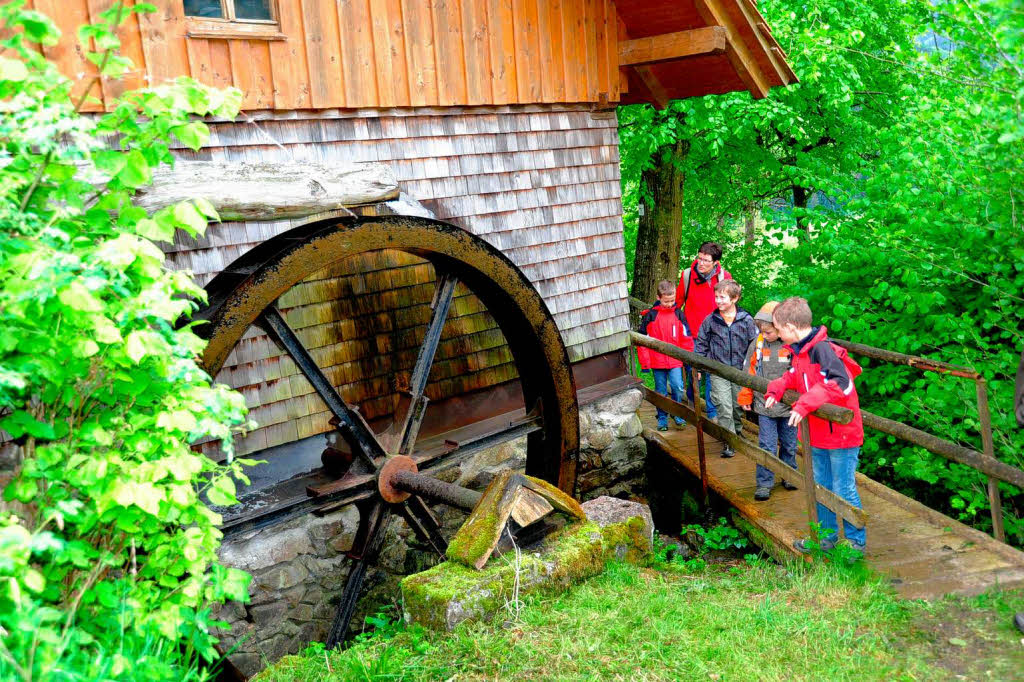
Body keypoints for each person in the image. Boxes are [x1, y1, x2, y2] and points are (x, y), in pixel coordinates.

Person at [764, 297, 866, 553]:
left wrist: (804, 404)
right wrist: (777, 388)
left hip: (841, 436)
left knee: (843, 488)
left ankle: (855, 542)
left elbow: (841, 383)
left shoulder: (823, 349)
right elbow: (795, 376)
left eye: (778, 328)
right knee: (821, 487)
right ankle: (826, 539)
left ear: (791, 326)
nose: (776, 333)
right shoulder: (800, 351)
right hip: (817, 435)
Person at [738, 301, 799, 501]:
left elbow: (801, 374)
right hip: (765, 406)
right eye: (762, 331)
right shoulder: (757, 344)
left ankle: (790, 475)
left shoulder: (793, 346)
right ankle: (764, 483)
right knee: (767, 445)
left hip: (789, 408)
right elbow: (748, 372)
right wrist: (745, 395)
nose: (765, 335)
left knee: (789, 444)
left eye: (769, 332)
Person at [694, 279, 757, 457]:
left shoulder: (746, 320)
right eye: (716, 297)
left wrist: (753, 369)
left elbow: (755, 345)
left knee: (737, 405)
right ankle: (729, 441)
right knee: (723, 405)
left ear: (734, 298)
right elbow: (701, 343)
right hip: (718, 370)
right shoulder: (711, 320)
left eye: (722, 297)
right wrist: (698, 367)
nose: (718, 301)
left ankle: (736, 431)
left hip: (740, 372)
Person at [677, 242, 731, 420]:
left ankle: (712, 415)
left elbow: (730, 305)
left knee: (712, 376)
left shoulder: (724, 278)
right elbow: (677, 304)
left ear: (715, 262)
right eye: (699, 258)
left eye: (706, 260)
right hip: (691, 335)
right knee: (694, 374)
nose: (701, 262)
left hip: (715, 335)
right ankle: (692, 405)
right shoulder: (687, 276)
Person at [637, 280, 694, 431]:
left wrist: (688, 358)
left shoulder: (678, 314)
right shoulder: (651, 316)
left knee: (677, 386)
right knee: (661, 390)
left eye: (672, 301)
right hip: (657, 361)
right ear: (658, 297)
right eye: (666, 301)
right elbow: (642, 340)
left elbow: (686, 337)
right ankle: (662, 418)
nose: (669, 304)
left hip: (675, 360)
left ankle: (677, 413)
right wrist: (645, 363)